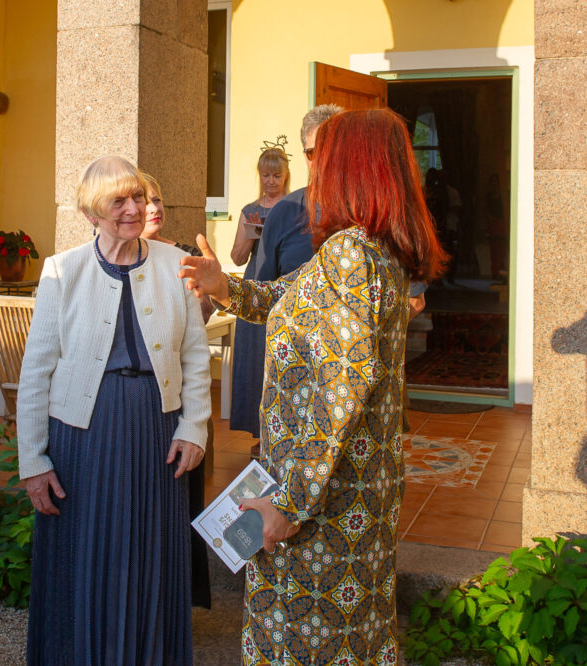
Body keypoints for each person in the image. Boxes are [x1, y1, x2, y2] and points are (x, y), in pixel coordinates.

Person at [179, 109, 446, 666]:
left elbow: (338, 394)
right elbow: (283, 295)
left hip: (324, 503)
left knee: (305, 643)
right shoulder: (372, 247)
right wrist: (223, 284)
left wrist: (290, 505)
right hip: (357, 486)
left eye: (324, 157)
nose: (313, 170)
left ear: (352, 169)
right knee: (356, 637)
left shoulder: (350, 254)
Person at [18, 155, 212, 666]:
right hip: (83, 432)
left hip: (157, 426)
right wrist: (33, 461)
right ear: (91, 214)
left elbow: (195, 355)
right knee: (84, 553)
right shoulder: (63, 270)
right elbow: (37, 372)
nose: (133, 209)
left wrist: (195, 427)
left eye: (138, 198)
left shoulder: (177, 265)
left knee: (153, 554)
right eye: (118, 201)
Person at [139, 168, 212, 610]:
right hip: (131, 407)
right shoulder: (104, 261)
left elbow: (198, 324)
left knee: (180, 505)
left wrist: (205, 287)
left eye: (158, 199)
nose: (154, 207)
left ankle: (175, 602)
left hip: (180, 401)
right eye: (145, 200)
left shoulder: (183, 256)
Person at [228, 145, 290, 444]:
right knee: (255, 359)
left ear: (286, 175)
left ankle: (285, 434)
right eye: (266, 175)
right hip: (255, 288)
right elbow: (238, 258)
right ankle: (258, 434)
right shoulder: (249, 211)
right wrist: (253, 234)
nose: (270, 181)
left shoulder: (294, 207)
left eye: (276, 175)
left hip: (285, 285)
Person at [256, 105, 342, 282]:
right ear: (304, 155)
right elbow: (262, 296)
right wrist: (222, 289)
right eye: (314, 152)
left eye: (332, 150)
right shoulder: (282, 214)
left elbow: (413, 299)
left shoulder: (372, 212)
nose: (324, 160)